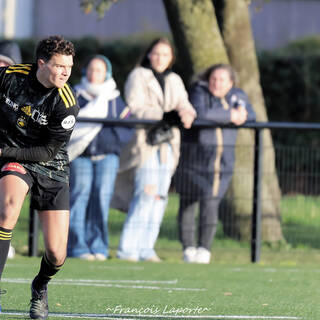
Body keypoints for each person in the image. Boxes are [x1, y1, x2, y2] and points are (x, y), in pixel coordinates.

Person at [0, 35, 78, 319]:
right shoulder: (10, 77)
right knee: (7, 210)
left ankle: (40, 286)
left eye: (69, 66)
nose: (65, 72)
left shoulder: (66, 103)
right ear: (41, 64)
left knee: (57, 254)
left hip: (50, 165)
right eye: (59, 66)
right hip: (13, 158)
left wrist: (2, 150)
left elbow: (46, 151)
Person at [114, 37, 196, 262]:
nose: (160, 58)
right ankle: (128, 249)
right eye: (156, 53)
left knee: (160, 197)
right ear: (149, 54)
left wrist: (187, 114)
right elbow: (135, 107)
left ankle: (146, 248)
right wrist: (165, 115)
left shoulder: (175, 79)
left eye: (165, 54)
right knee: (146, 193)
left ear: (171, 58)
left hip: (168, 144)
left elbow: (183, 103)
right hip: (146, 144)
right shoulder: (138, 75)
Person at [175, 63, 256, 264]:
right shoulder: (198, 92)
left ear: (231, 82)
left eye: (222, 80)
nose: (217, 83)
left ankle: (204, 249)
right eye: (214, 78)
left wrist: (239, 115)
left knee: (211, 202)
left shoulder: (238, 95)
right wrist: (231, 116)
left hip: (221, 164)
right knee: (187, 203)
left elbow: (251, 116)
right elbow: (201, 113)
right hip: (193, 160)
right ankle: (188, 248)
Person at [67, 55, 132, 261]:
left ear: (107, 73)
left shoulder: (114, 99)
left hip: (107, 157)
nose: (94, 74)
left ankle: (99, 246)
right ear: (85, 71)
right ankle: (77, 247)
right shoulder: (75, 94)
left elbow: (125, 128)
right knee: (79, 197)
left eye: (99, 70)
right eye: (91, 69)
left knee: (101, 200)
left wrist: (109, 143)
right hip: (80, 156)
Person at [0, 40, 23, 260]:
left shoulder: (20, 92)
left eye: (5, 64)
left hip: (9, 153)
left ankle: (4, 239)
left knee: (8, 201)